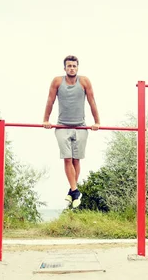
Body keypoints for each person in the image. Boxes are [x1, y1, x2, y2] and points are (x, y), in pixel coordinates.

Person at [42, 55, 100, 208]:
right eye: (69, 66)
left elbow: (92, 101)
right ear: (64, 68)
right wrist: (46, 120)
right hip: (62, 126)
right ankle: (75, 190)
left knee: (76, 159)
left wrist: (97, 122)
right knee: (67, 158)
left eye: (74, 66)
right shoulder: (57, 81)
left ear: (77, 67)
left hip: (81, 126)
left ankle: (72, 192)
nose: (71, 68)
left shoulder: (84, 81)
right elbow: (50, 100)